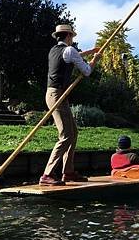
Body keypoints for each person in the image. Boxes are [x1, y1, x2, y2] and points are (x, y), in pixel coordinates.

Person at [39, 24, 101, 186]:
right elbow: (86, 71)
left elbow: (73, 55)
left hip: (53, 94)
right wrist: (95, 60)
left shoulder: (54, 50)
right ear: (68, 36)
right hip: (57, 94)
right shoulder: (69, 51)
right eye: (72, 37)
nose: (73, 39)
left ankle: (68, 172)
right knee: (66, 135)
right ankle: (47, 174)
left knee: (73, 132)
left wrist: (91, 51)